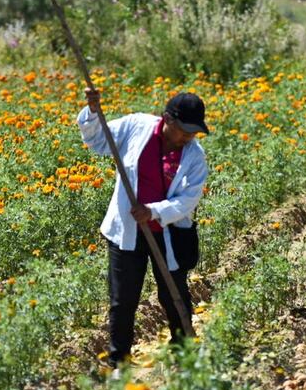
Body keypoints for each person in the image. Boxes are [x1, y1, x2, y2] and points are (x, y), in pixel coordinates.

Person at [78, 89, 210, 369]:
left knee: (173, 294)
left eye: (194, 131)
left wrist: (153, 211)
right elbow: (97, 140)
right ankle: (119, 362)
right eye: (185, 130)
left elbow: (188, 199)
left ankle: (183, 353)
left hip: (169, 233)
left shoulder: (194, 156)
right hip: (127, 230)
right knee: (123, 299)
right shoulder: (135, 126)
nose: (189, 136)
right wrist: (92, 111)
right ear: (167, 120)